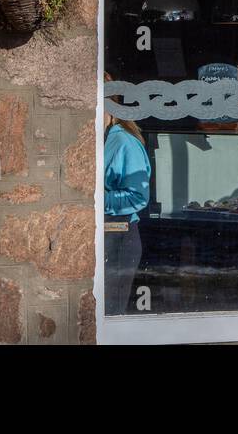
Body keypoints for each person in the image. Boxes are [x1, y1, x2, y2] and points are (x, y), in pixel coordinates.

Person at [104, 93, 151, 316]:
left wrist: (94, 200)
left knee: (111, 314)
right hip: (107, 235)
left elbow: (137, 197)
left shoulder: (124, 142)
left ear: (111, 110)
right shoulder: (105, 137)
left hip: (119, 235)